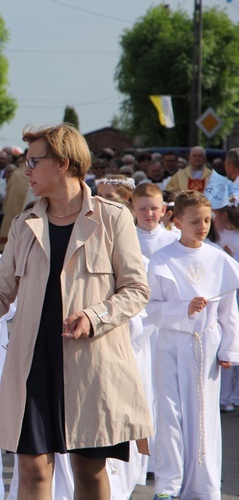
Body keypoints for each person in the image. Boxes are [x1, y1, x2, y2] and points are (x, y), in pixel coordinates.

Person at [0, 123, 152, 499]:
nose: (25, 170)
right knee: (31, 469)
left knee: (90, 470)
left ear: (63, 164)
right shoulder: (23, 224)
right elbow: (0, 288)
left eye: (33, 161)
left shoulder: (112, 218)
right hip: (33, 361)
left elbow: (136, 290)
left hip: (92, 363)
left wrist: (94, 316)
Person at [147, 190, 239, 499]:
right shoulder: (162, 259)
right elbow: (152, 308)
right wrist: (183, 308)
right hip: (171, 342)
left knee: (203, 414)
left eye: (206, 219)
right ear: (176, 221)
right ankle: (168, 485)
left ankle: (203, 485)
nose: (202, 226)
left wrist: (229, 349)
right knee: (170, 412)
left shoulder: (218, 259)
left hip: (205, 344)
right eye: (194, 221)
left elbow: (228, 311)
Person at [210, 198, 239, 413]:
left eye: (214, 215)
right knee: (225, 342)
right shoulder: (215, 239)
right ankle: (225, 395)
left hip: (233, 292)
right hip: (224, 293)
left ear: (224, 216)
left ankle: (234, 394)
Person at [133, 183, 179, 258]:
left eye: (154, 208)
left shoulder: (175, 240)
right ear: (134, 210)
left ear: (163, 210)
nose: (149, 214)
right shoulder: (125, 240)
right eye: (142, 209)